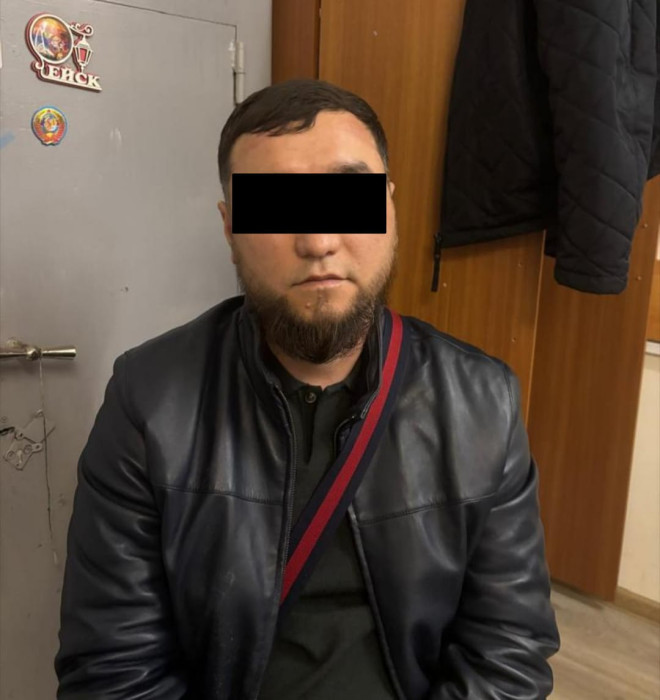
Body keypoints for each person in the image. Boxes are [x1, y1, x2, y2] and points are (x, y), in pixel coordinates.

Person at [55, 78, 560, 699]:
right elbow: (114, 671)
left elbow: (509, 654)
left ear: (390, 208)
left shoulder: (482, 402)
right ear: (230, 227)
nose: (318, 241)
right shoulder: (149, 402)